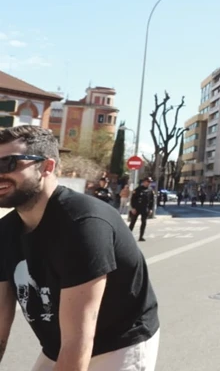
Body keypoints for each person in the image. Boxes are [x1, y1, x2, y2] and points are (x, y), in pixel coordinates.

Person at [0, 126, 160, 370]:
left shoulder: (83, 225)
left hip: (118, 343)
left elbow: (78, 342)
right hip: (58, 344)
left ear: (46, 167)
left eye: (8, 164)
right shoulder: (5, 231)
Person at [129, 177, 154, 242]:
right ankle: (128, 235)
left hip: (145, 208)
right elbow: (133, 199)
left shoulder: (150, 190)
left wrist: (150, 209)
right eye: (148, 182)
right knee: (133, 222)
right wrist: (133, 208)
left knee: (144, 222)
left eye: (149, 182)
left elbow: (151, 200)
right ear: (144, 182)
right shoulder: (138, 189)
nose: (149, 183)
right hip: (137, 208)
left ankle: (141, 236)